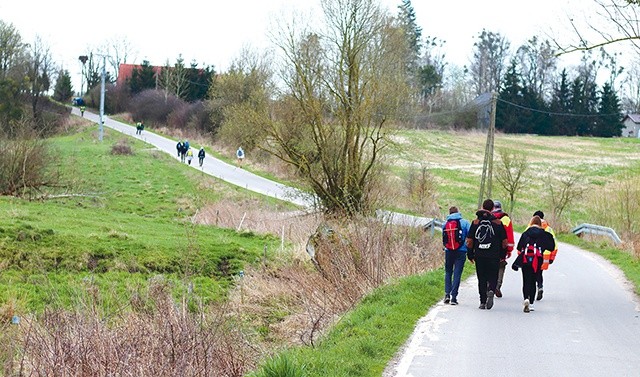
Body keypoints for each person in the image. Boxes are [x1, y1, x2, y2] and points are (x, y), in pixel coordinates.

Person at [466, 199, 508, 310]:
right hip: (494, 255)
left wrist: (470, 255)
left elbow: (470, 241)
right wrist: (502, 256)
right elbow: (504, 242)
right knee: (493, 275)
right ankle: (491, 290)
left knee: (482, 278)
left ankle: (482, 302)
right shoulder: (498, 223)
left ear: (482, 207)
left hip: (479, 255)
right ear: (493, 208)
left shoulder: (475, 222)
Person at [513, 215, 555, 313]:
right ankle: (531, 303)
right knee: (533, 280)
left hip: (526, 260)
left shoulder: (526, 233)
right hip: (537, 261)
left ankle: (525, 298)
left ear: (531, 223)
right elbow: (551, 247)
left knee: (526, 280)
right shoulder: (544, 234)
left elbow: (519, 247)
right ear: (540, 224)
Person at [442, 206, 471, 305]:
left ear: (449, 213)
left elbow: (444, 239)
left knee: (448, 272)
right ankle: (454, 297)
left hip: (448, 251)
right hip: (461, 251)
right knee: (457, 273)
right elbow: (470, 236)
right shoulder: (465, 223)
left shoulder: (445, 224)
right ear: (458, 212)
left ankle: (447, 294)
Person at [529, 210, 557, 301]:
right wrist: (552, 257)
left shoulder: (530, 227)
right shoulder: (549, 229)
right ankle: (540, 286)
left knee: (531, 272)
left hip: (532, 254)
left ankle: (530, 292)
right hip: (545, 255)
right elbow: (555, 245)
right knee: (539, 273)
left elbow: (524, 241)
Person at [491, 200, 514, 298]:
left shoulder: (489, 218)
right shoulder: (506, 219)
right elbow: (510, 236)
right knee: (501, 266)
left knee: (490, 266)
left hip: (490, 247)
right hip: (502, 247)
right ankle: (497, 285)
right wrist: (509, 250)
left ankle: (489, 285)